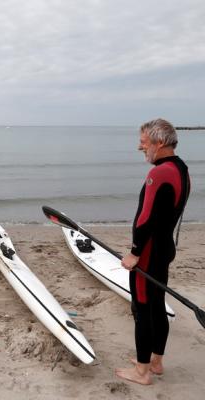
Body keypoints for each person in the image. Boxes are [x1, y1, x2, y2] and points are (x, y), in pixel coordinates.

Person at [117, 119, 190, 385]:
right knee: (157, 306)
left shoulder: (158, 173)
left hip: (147, 253)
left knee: (143, 309)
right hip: (164, 248)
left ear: (159, 143)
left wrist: (135, 252)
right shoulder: (181, 169)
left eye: (144, 142)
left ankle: (142, 372)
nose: (140, 147)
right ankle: (156, 362)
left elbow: (145, 218)